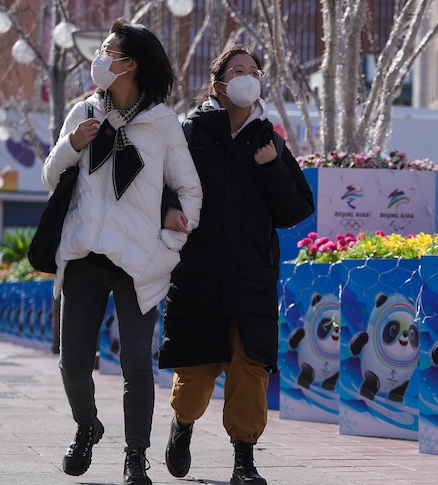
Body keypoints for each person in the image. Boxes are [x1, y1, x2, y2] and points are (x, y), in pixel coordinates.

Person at [42, 18, 202, 485]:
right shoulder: (84, 111)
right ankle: (87, 426)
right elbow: (51, 177)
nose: (100, 58)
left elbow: (188, 192)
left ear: (130, 64)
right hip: (83, 257)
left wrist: (166, 248)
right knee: (73, 364)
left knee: (136, 365)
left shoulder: (162, 122)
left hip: (138, 262)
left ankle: (136, 458)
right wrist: (74, 144)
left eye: (109, 50)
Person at [158, 46, 314, 485]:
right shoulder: (189, 133)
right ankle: (182, 426)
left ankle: (244, 461)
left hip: (252, 278)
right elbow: (157, 184)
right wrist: (170, 207)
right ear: (218, 85)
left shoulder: (269, 140)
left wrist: (270, 169)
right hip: (199, 274)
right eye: (238, 71)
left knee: (251, 369)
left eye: (254, 71)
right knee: (196, 373)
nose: (248, 77)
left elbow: (295, 209)